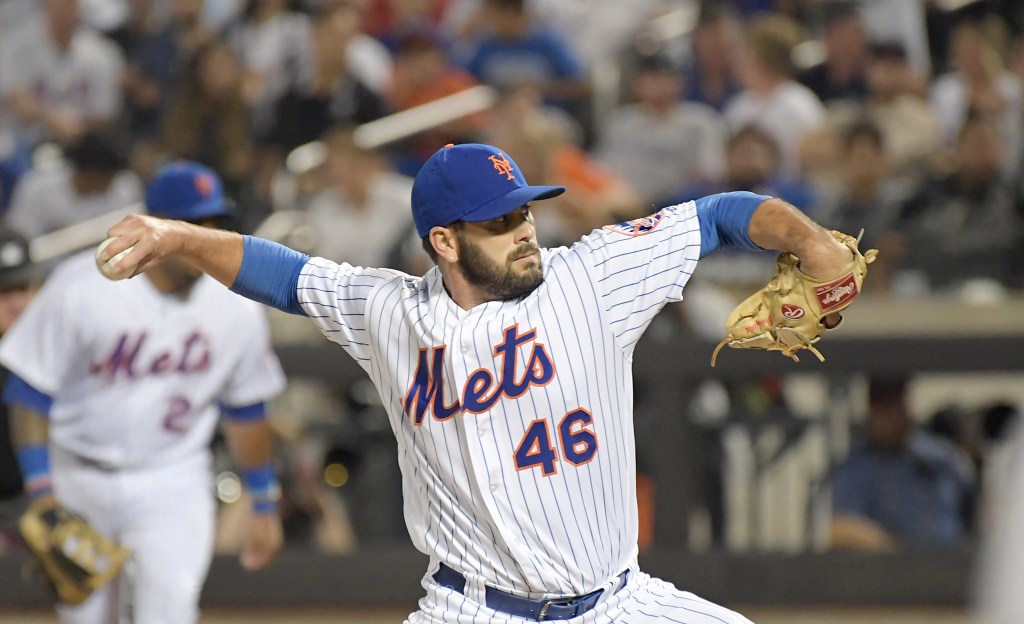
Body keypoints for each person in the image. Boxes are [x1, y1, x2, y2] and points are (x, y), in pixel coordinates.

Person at [100, 142, 858, 624]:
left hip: (619, 603)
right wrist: (177, 237)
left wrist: (811, 241)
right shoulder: (388, 313)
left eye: (524, 210)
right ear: (445, 241)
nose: (525, 229)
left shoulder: (591, 277)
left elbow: (721, 215)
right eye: (500, 222)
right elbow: (283, 275)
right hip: (473, 611)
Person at [1, 161, 286, 623]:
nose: (205, 236)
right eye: (193, 225)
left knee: (171, 609)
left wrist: (264, 501)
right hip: (79, 475)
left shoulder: (235, 306)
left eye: (215, 224)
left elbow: (247, 406)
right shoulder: (81, 287)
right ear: (153, 226)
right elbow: (29, 390)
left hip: (173, 478)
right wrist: (42, 492)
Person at [829, 376, 977, 552]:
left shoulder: (944, 459)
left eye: (896, 401)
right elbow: (840, 529)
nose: (890, 415)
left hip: (954, 567)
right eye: (882, 405)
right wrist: (894, 551)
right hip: (893, 573)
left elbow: (977, 513)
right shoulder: (857, 468)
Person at [0, 225, 46, 551]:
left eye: (24, 289)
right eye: (4, 291)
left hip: (42, 506)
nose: (18, 303)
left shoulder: (57, 355)